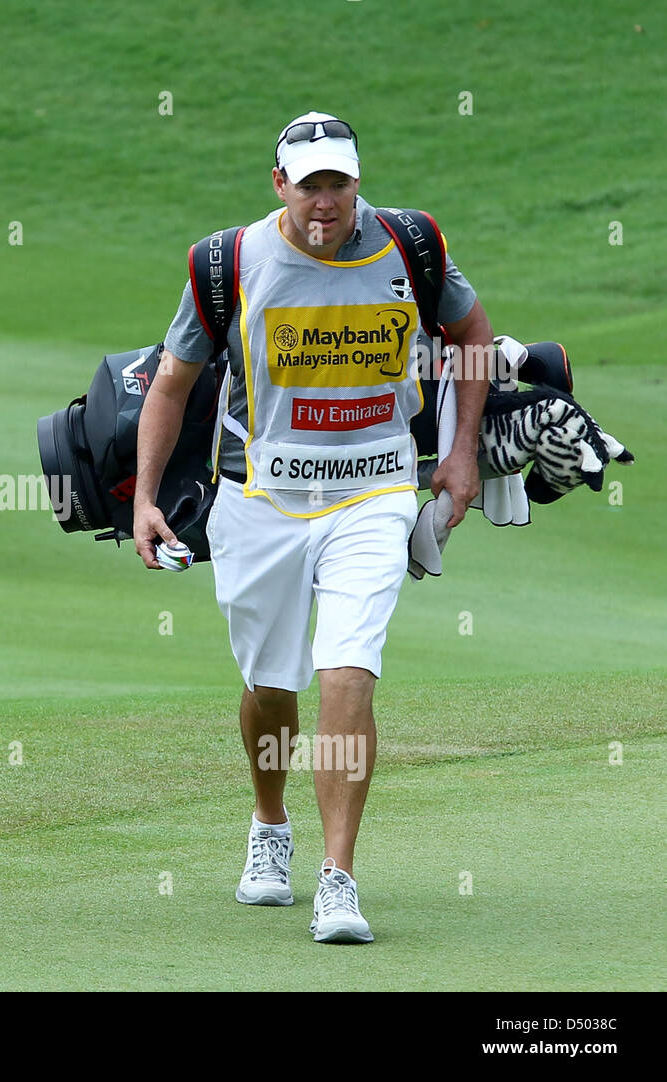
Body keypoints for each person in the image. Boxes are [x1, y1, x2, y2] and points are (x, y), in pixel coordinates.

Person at [134, 112, 493, 943]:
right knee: (271, 688)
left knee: (347, 673)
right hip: (259, 499)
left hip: (374, 494)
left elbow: (472, 335)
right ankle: (270, 826)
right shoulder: (227, 263)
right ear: (279, 186)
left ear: (357, 181)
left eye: (339, 183)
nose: (324, 202)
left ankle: (339, 877)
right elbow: (170, 384)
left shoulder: (412, 246)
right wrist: (146, 498)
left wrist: (463, 452)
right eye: (309, 185)